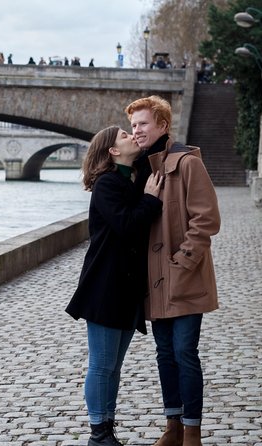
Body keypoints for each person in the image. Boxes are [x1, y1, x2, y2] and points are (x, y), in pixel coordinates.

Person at [126, 95, 220, 446]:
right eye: (133, 125)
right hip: (154, 280)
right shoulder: (140, 171)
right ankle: (173, 426)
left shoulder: (187, 164)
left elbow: (206, 220)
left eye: (143, 124)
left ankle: (192, 429)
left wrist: (181, 262)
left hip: (184, 276)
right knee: (164, 353)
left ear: (162, 125)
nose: (136, 131)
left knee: (184, 352)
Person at [66, 126, 163, 446]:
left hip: (124, 287)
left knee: (113, 367)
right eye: (124, 134)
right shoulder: (108, 184)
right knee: (102, 364)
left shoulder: (127, 179)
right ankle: (98, 432)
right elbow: (127, 224)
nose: (132, 136)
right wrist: (150, 199)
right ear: (112, 151)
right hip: (105, 287)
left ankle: (107, 430)